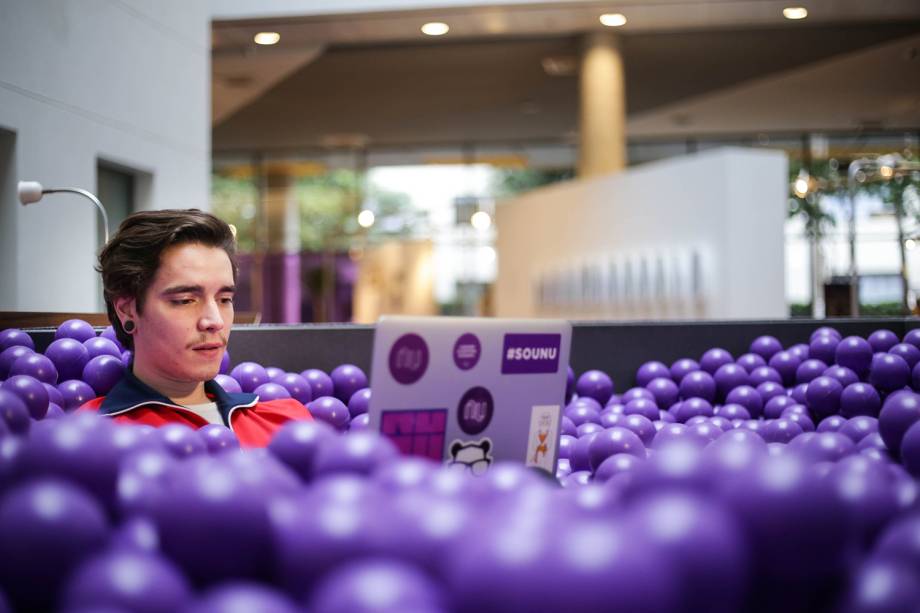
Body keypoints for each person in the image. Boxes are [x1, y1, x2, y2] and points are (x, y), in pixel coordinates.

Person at [80, 209, 312, 446]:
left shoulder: (286, 422)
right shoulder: (92, 437)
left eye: (225, 299)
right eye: (185, 300)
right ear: (127, 310)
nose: (215, 321)